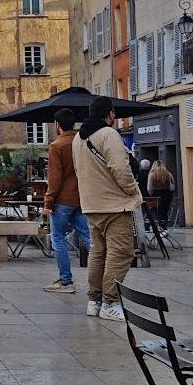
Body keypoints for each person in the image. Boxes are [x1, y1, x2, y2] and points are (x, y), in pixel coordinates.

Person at [73, 96, 143, 321]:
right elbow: (121, 169)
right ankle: (110, 302)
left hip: (91, 203)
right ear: (111, 114)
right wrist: (133, 191)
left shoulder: (78, 138)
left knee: (98, 252)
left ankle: (94, 301)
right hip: (115, 204)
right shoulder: (109, 134)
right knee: (121, 252)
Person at [42, 108, 91, 294]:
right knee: (89, 237)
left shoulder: (57, 146)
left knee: (58, 238)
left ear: (57, 125)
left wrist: (48, 200)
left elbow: (55, 177)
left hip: (62, 200)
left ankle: (65, 280)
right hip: (82, 197)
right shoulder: (83, 143)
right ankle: (103, 275)